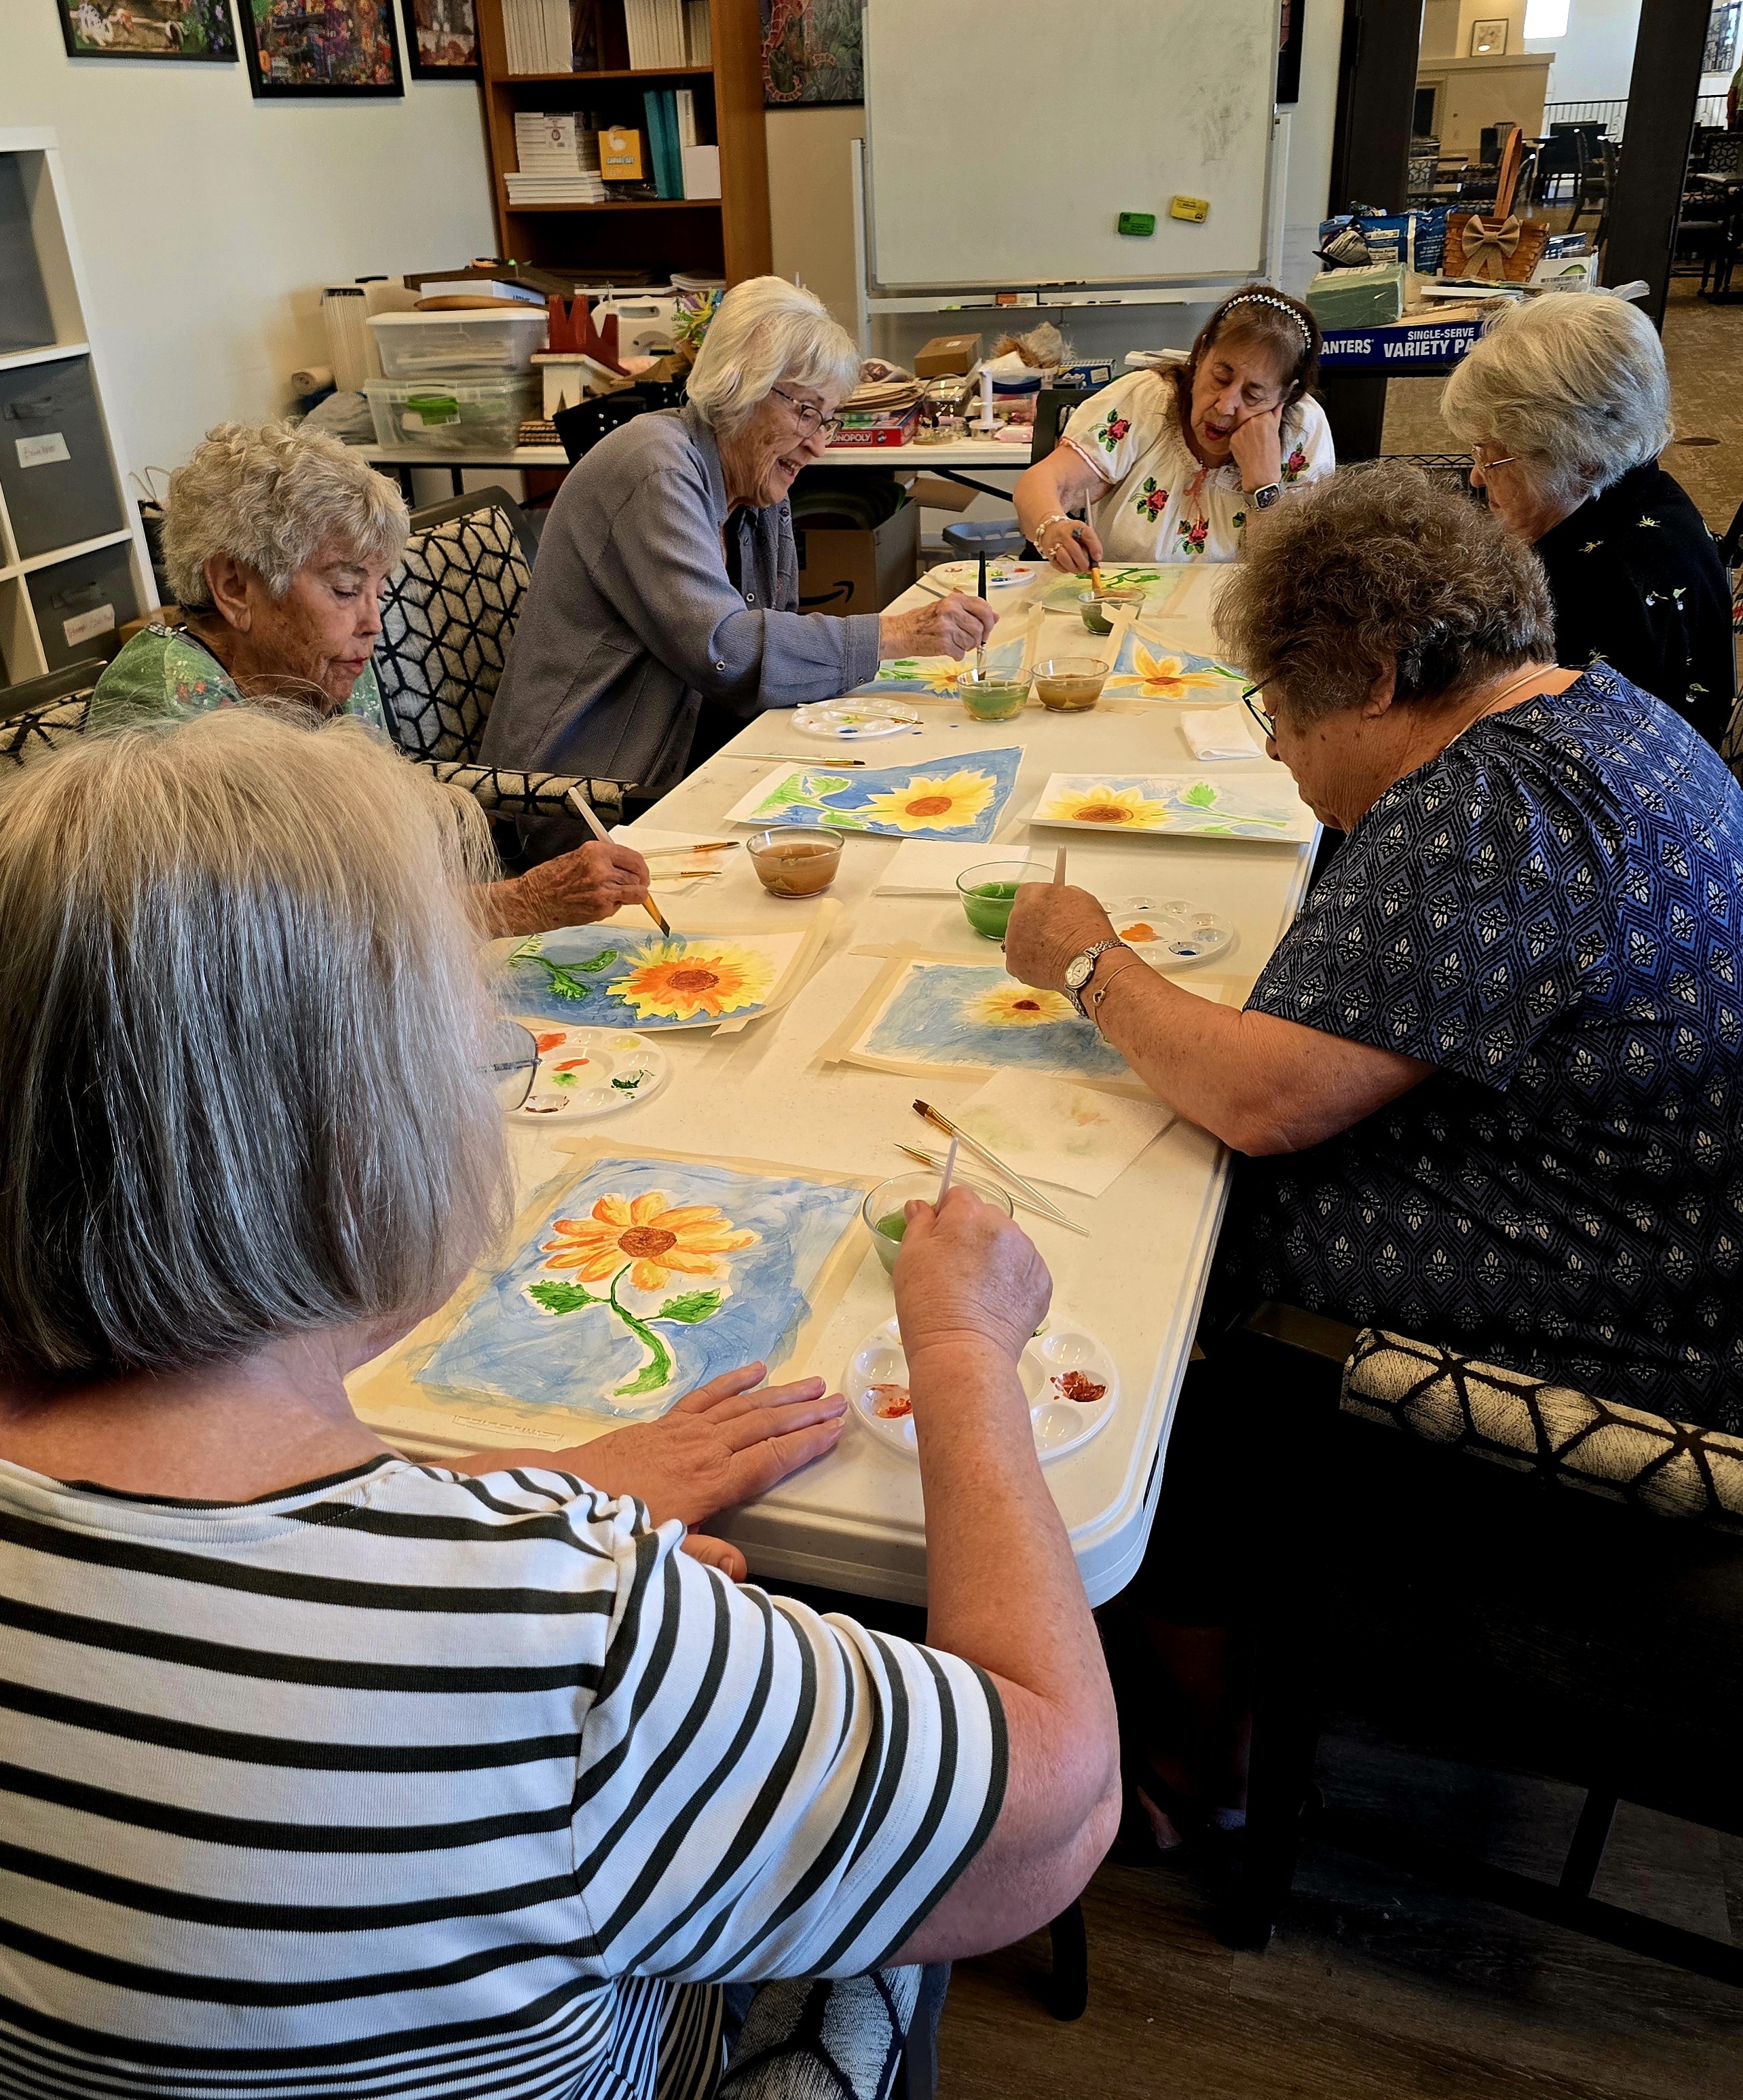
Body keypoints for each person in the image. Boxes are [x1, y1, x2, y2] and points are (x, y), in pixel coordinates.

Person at [0, 708, 1119, 2100]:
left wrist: (506, 1506)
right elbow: (1056, 1808)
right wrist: (958, 1345)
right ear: (355, 1137)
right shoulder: (551, 1641)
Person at [1002, 464, 1743, 1850]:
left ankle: (1196, 1762)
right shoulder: (1601, 715)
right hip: (1674, 1244)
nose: (1280, 752)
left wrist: (1089, 960)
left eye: (1284, 711)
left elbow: (1265, 1098)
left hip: (1629, 1342)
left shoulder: (1497, 806)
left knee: (1170, 1282)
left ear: (1381, 677)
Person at [90, 419, 650, 934]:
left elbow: (378, 866)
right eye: (344, 589)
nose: (372, 623)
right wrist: (518, 903)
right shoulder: (168, 706)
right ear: (234, 587)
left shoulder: (320, 665)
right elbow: (283, 934)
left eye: (377, 591)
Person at [479, 276, 998, 790]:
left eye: (827, 421)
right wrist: (897, 634)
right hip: (588, 791)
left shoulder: (757, 482)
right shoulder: (654, 469)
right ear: (739, 388)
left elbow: (772, 640)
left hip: (701, 756)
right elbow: (724, 651)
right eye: (807, 412)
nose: (818, 445)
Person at [1442, 289, 1733, 749]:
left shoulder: (1600, 588)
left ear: (1580, 461)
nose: (1477, 476)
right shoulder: (1642, 487)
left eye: (1492, 457)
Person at [1013, 286, 1334, 569]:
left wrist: (1262, 484)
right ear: (1202, 354)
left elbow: (1292, 574)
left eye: (1253, 394)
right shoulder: (1147, 398)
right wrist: (1051, 526)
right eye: (1220, 378)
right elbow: (1041, 482)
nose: (1225, 406)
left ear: (1287, 395)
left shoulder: (1303, 430)